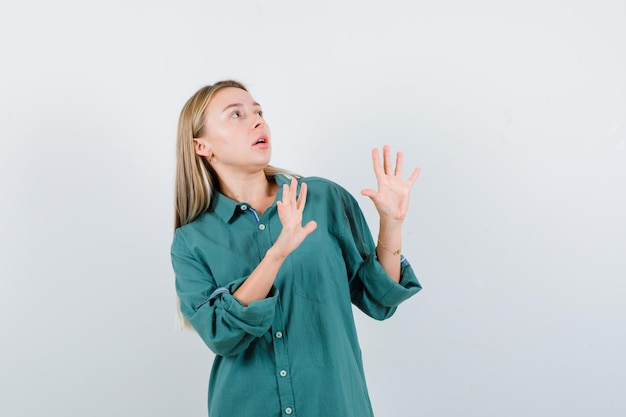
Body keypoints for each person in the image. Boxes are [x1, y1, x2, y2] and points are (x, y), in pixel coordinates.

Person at [171, 80, 422, 417]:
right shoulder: (191, 239)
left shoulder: (323, 200)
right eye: (236, 115)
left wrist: (392, 223)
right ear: (202, 146)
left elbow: (380, 300)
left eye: (259, 112)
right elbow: (220, 335)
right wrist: (277, 254)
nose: (257, 121)